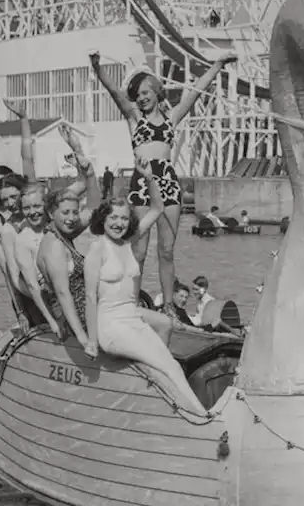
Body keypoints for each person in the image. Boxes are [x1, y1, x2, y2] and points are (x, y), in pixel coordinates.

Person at [91, 49, 237, 324]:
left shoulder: (171, 119)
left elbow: (195, 92)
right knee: (139, 251)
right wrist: (97, 68)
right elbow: (114, 92)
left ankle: (169, 305)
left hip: (168, 183)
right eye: (139, 94)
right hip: (142, 184)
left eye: (147, 92)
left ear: (157, 92)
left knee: (166, 251)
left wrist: (217, 65)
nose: (142, 97)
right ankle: (130, 302)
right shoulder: (134, 119)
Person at [84, 157, 207, 415]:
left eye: (124, 219)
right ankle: (200, 416)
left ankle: (186, 410)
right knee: (167, 365)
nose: (119, 223)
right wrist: (92, 342)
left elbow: (158, 207)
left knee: (168, 363)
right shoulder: (98, 249)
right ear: (103, 220)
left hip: (132, 318)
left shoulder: (128, 243)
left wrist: (148, 177)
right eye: (113, 218)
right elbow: (90, 299)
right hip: (111, 327)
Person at [5, 127, 94, 332]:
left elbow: (83, 183)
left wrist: (76, 148)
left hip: (76, 286)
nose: (33, 212)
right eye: (27, 208)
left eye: (37, 206)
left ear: (46, 205)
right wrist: (53, 322)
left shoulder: (55, 220)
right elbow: (32, 286)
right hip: (54, 298)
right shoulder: (23, 239)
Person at [37, 172, 102, 343]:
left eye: (75, 212)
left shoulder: (63, 235)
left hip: (91, 309)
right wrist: (82, 337)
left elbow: (94, 208)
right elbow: (62, 292)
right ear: (51, 214)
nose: (72, 218)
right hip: (85, 319)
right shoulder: (54, 245)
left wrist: (89, 173)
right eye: (65, 212)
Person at [0, 99, 36, 287]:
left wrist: (23, 119)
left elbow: (28, 158)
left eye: (3, 184)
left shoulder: (32, 208)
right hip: (25, 290)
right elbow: (8, 270)